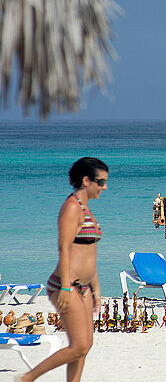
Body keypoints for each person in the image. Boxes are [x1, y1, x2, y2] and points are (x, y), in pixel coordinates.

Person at [20, 157, 109, 382]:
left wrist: (96, 289)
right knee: (79, 346)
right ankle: (27, 378)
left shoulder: (86, 209)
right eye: (100, 182)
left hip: (85, 286)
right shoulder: (72, 207)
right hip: (65, 284)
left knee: (84, 346)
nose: (104, 187)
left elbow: (90, 255)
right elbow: (64, 248)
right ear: (86, 180)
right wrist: (67, 287)